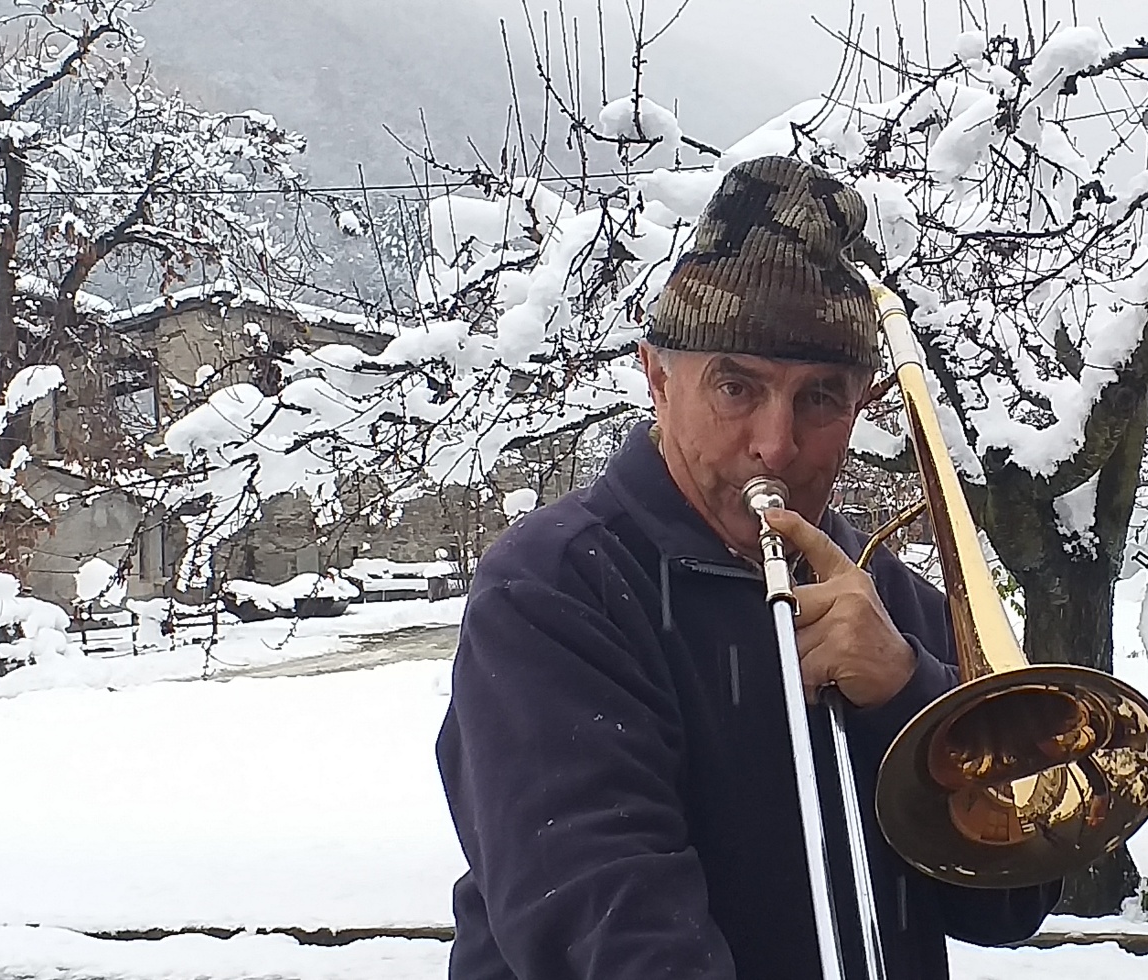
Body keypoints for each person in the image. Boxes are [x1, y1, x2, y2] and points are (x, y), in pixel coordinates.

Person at [435, 155, 1060, 980]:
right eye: (737, 388)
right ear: (656, 376)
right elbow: (609, 928)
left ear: (859, 408)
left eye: (820, 398)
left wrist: (908, 695)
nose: (777, 444)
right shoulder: (554, 588)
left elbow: (1007, 901)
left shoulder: (884, 601)